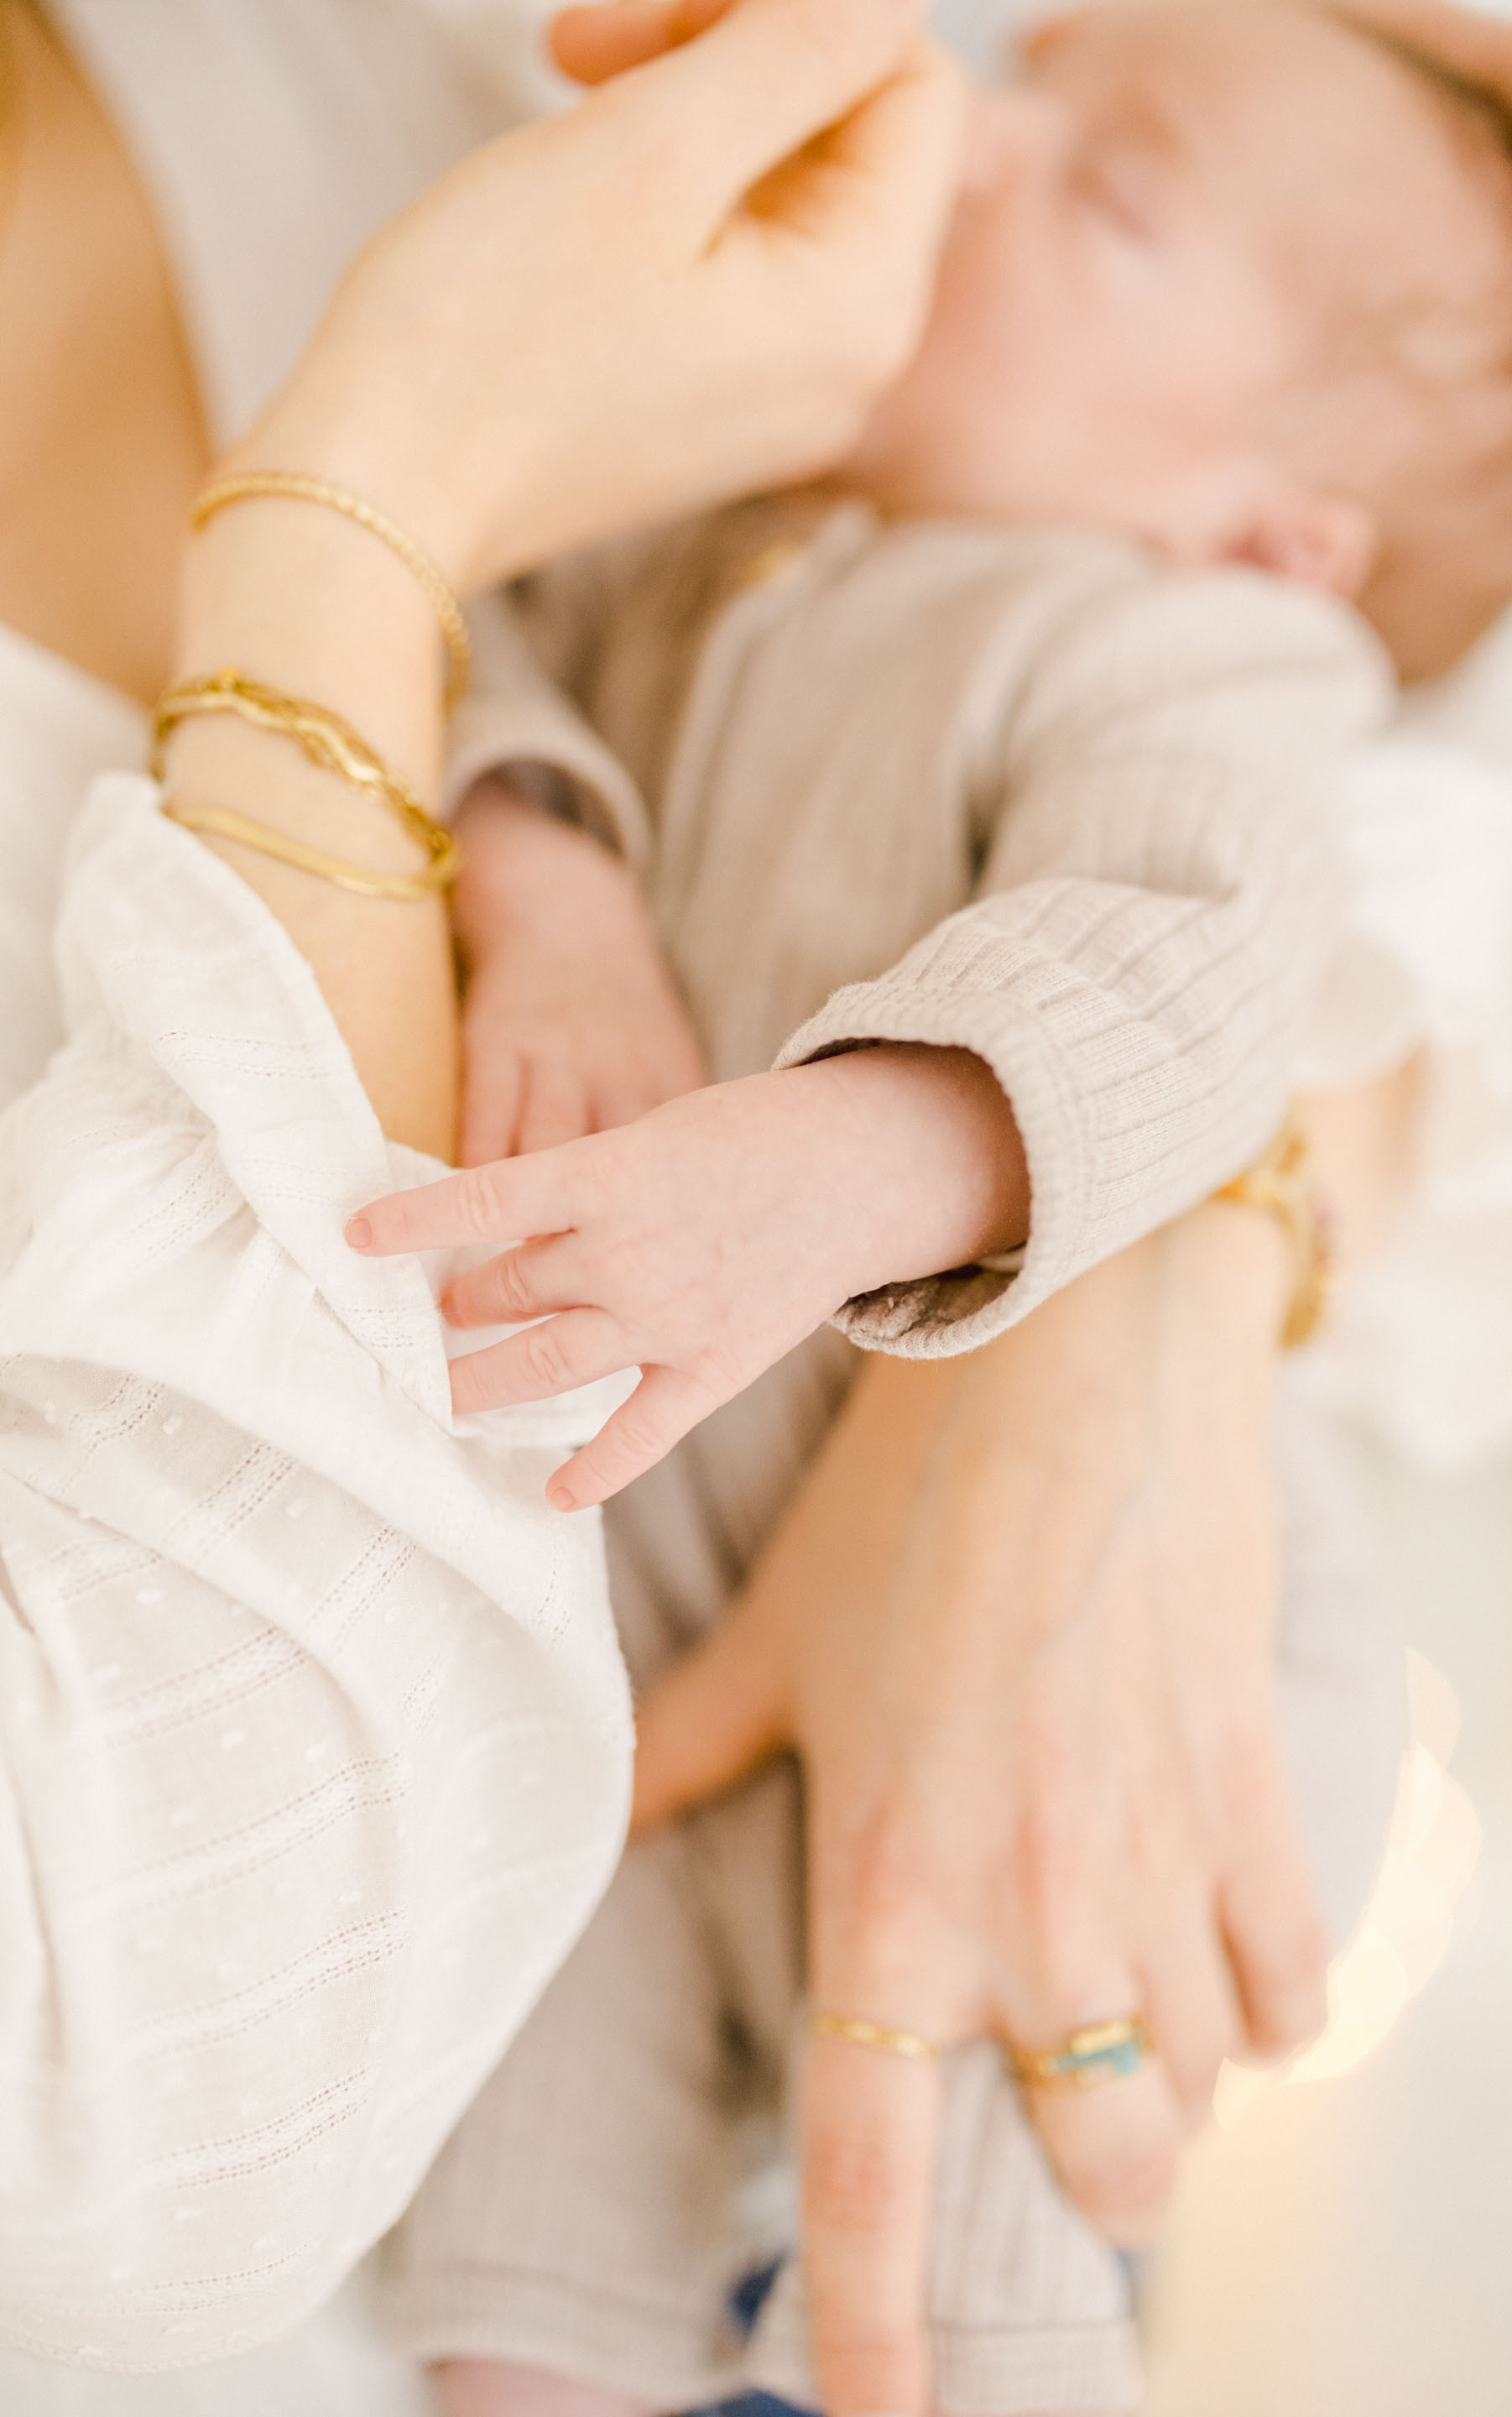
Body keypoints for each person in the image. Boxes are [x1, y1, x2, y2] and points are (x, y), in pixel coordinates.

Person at [0, 0, 1512, 2407]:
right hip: (636, 1608)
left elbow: (1182, 950)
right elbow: (496, 680)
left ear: (1273, 532)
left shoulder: (1188, 653)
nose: (981, 143)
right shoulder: (706, 540)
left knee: (966, 2203)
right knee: (537, 2201)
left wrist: (839, 1168)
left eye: (1110, 192)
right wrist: (554, 904)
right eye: (1038, 101)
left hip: (1094, 1649)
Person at [0, 0, 966, 2370]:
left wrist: (1076, 1299)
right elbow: (151, 2086)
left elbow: (1296, 777)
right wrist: (376, 487)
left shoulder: (408, 94)